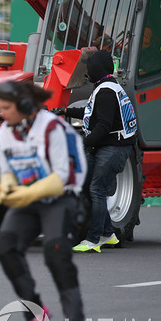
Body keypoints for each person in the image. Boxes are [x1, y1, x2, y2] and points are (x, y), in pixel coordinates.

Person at [0, 80, 88, 321]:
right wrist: (8, 186)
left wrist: (26, 194)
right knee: (5, 247)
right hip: (28, 199)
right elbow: (7, 170)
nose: (1, 113)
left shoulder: (52, 128)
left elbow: (62, 176)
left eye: (6, 107)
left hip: (60, 197)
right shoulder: (4, 133)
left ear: (24, 105)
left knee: (56, 252)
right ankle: (35, 312)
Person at [64, 50, 137, 252]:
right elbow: (91, 112)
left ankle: (93, 239)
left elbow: (103, 125)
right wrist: (65, 111)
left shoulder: (106, 91)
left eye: (89, 68)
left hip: (114, 147)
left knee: (96, 189)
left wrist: (83, 143)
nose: (87, 72)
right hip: (110, 145)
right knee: (89, 186)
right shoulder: (108, 87)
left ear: (96, 69)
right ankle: (108, 234)